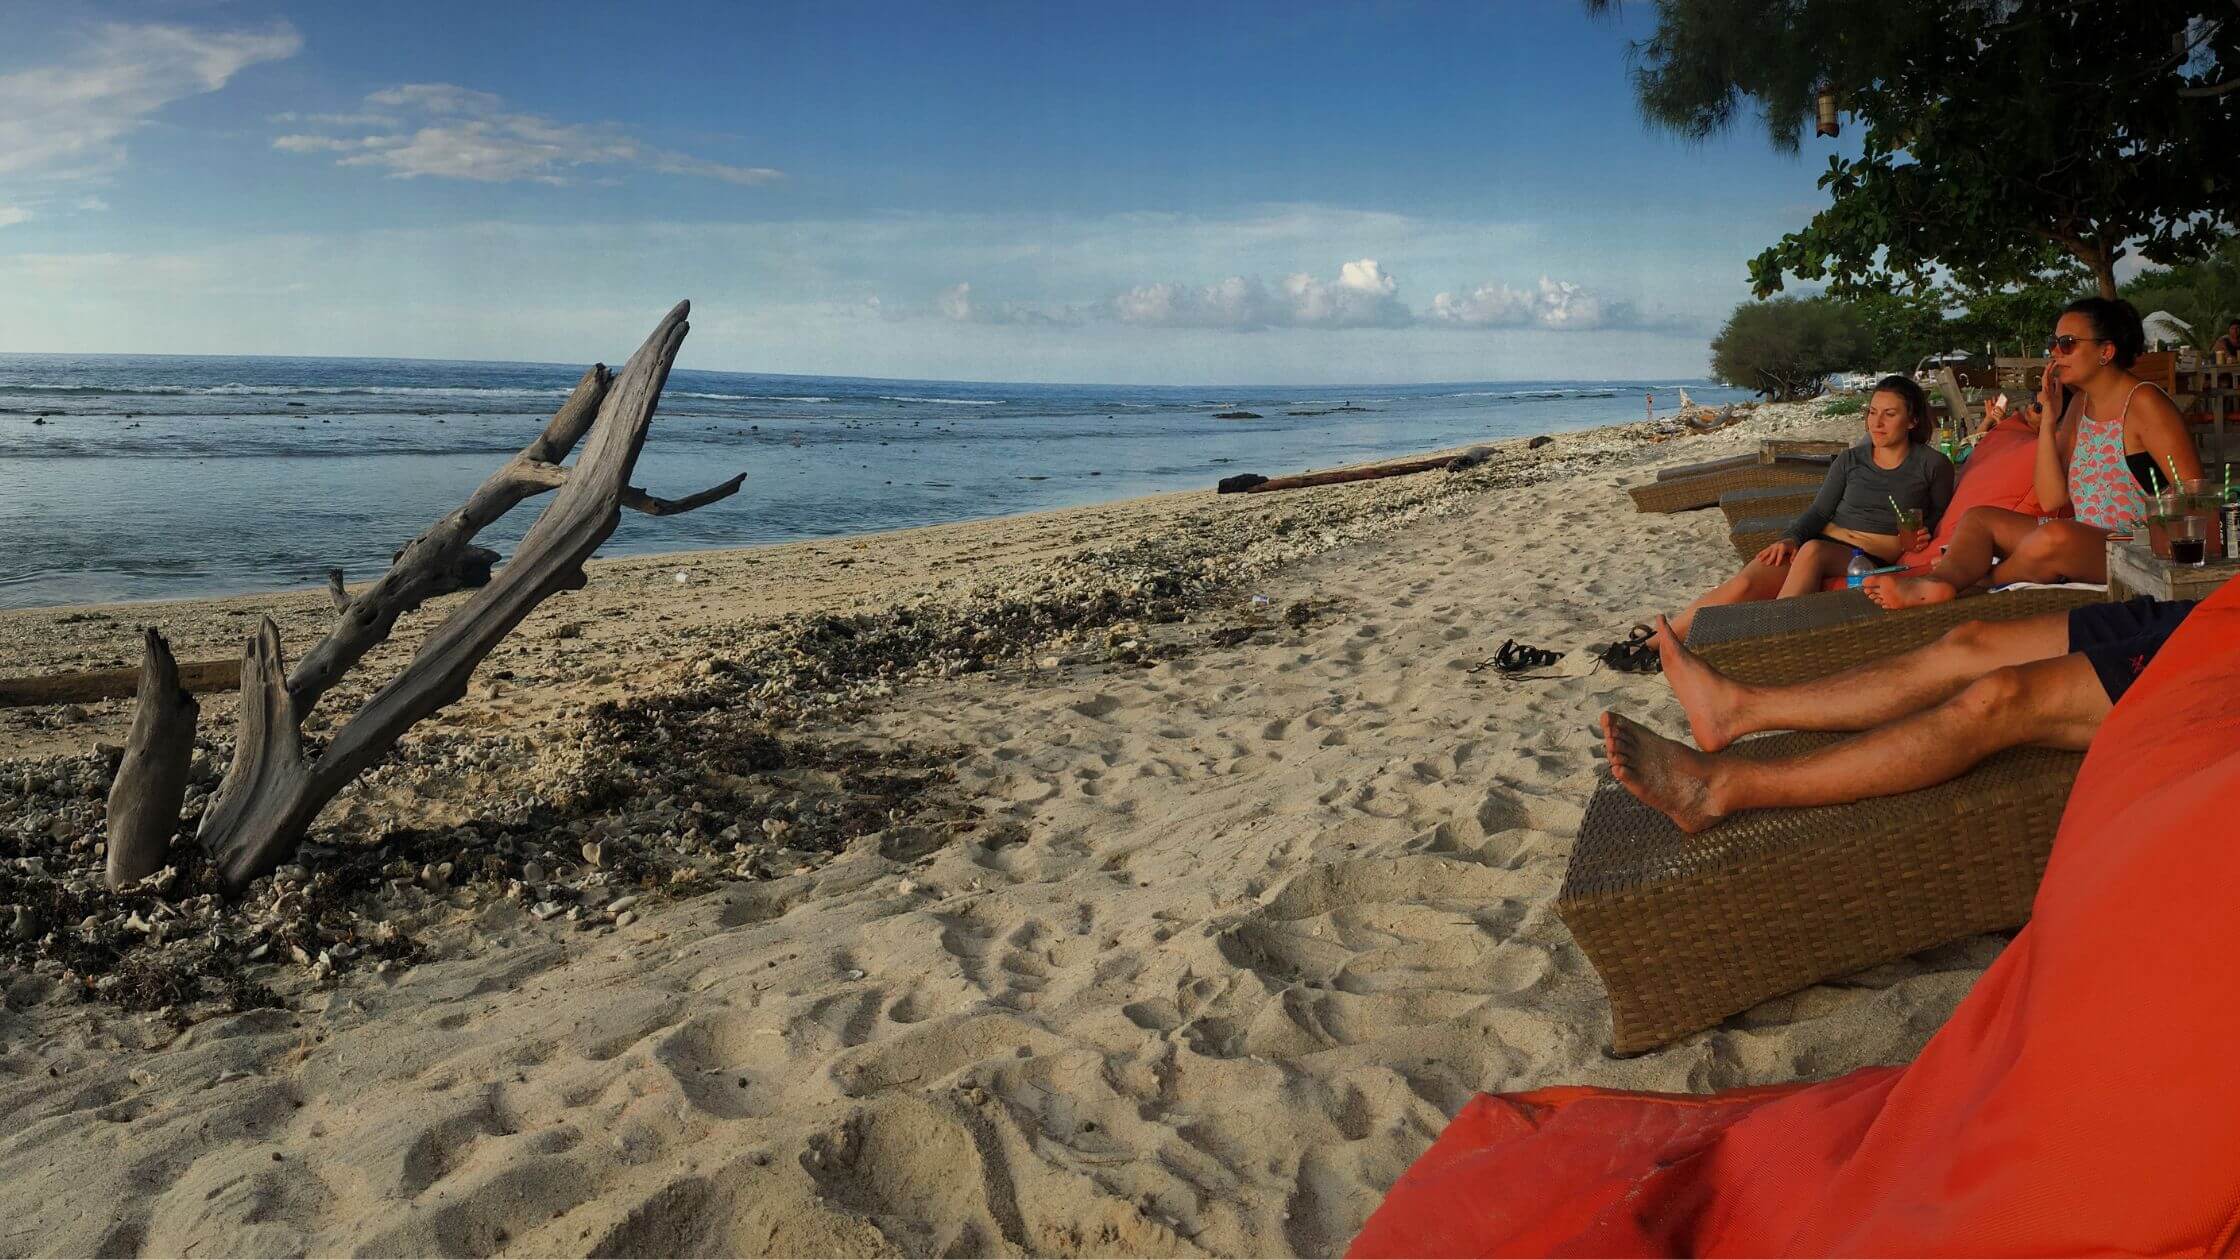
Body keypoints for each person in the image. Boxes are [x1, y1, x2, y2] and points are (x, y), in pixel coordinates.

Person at [1601, 598, 2194, 834]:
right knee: (1971, 643)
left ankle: (1719, 787)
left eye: (2067, 344)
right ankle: (1736, 710)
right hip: (2209, 610)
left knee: (2001, 696)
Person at [1866, 297, 2200, 609]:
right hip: (2081, 537)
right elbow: (2052, 497)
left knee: (2056, 535)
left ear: (2106, 351)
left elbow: (2196, 495)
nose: (2055, 353)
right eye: (2053, 343)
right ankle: (1942, 580)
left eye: (2067, 344)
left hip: (2134, 547)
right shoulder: (2081, 404)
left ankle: (1985, 578)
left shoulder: (2145, 403)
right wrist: (2050, 419)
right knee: (1980, 518)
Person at [1667, 375, 1954, 639]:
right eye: (1872, 412)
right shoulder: (1850, 460)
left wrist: (1919, 536)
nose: (1876, 423)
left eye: (1889, 414)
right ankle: (1656, 643)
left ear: (1912, 420)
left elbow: (1937, 518)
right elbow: (1818, 513)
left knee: (1813, 552)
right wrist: (1790, 538)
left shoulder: (1932, 465)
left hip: (1868, 557)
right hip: (1819, 543)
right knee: (1746, 583)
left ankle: (1770, 636)